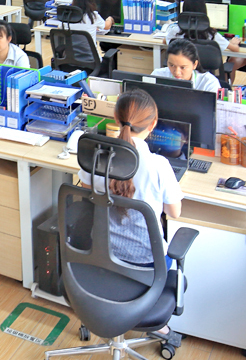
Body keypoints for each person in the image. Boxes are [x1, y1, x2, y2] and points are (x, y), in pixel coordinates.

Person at [78, 89, 183, 276]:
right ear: (153, 124)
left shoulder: (95, 158)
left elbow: (87, 192)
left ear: (115, 118)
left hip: (102, 254)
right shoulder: (159, 165)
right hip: (148, 264)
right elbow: (174, 213)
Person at [164, 0, 239, 54]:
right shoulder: (210, 33)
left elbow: (165, 41)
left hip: (184, 67)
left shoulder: (177, 30)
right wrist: (233, 43)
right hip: (204, 69)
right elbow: (235, 49)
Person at [152, 39, 221, 92]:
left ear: (195, 64)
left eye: (183, 67)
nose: (177, 72)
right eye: (172, 65)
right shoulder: (158, 75)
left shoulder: (209, 83)